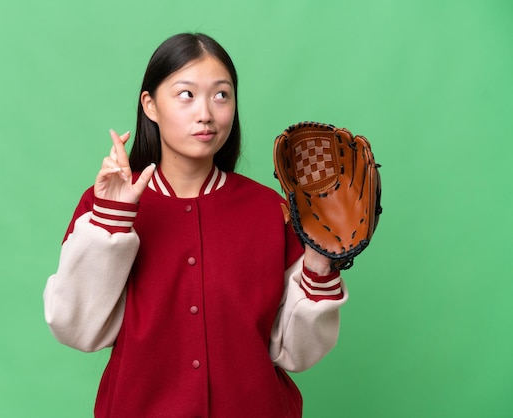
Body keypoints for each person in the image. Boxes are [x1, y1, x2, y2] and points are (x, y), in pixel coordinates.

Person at [44, 32, 347, 418]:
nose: (206, 113)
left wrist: (320, 265)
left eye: (221, 95)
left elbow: (296, 352)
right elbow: (77, 329)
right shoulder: (103, 203)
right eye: (186, 94)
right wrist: (112, 220)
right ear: (150, 105)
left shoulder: (271, 209)